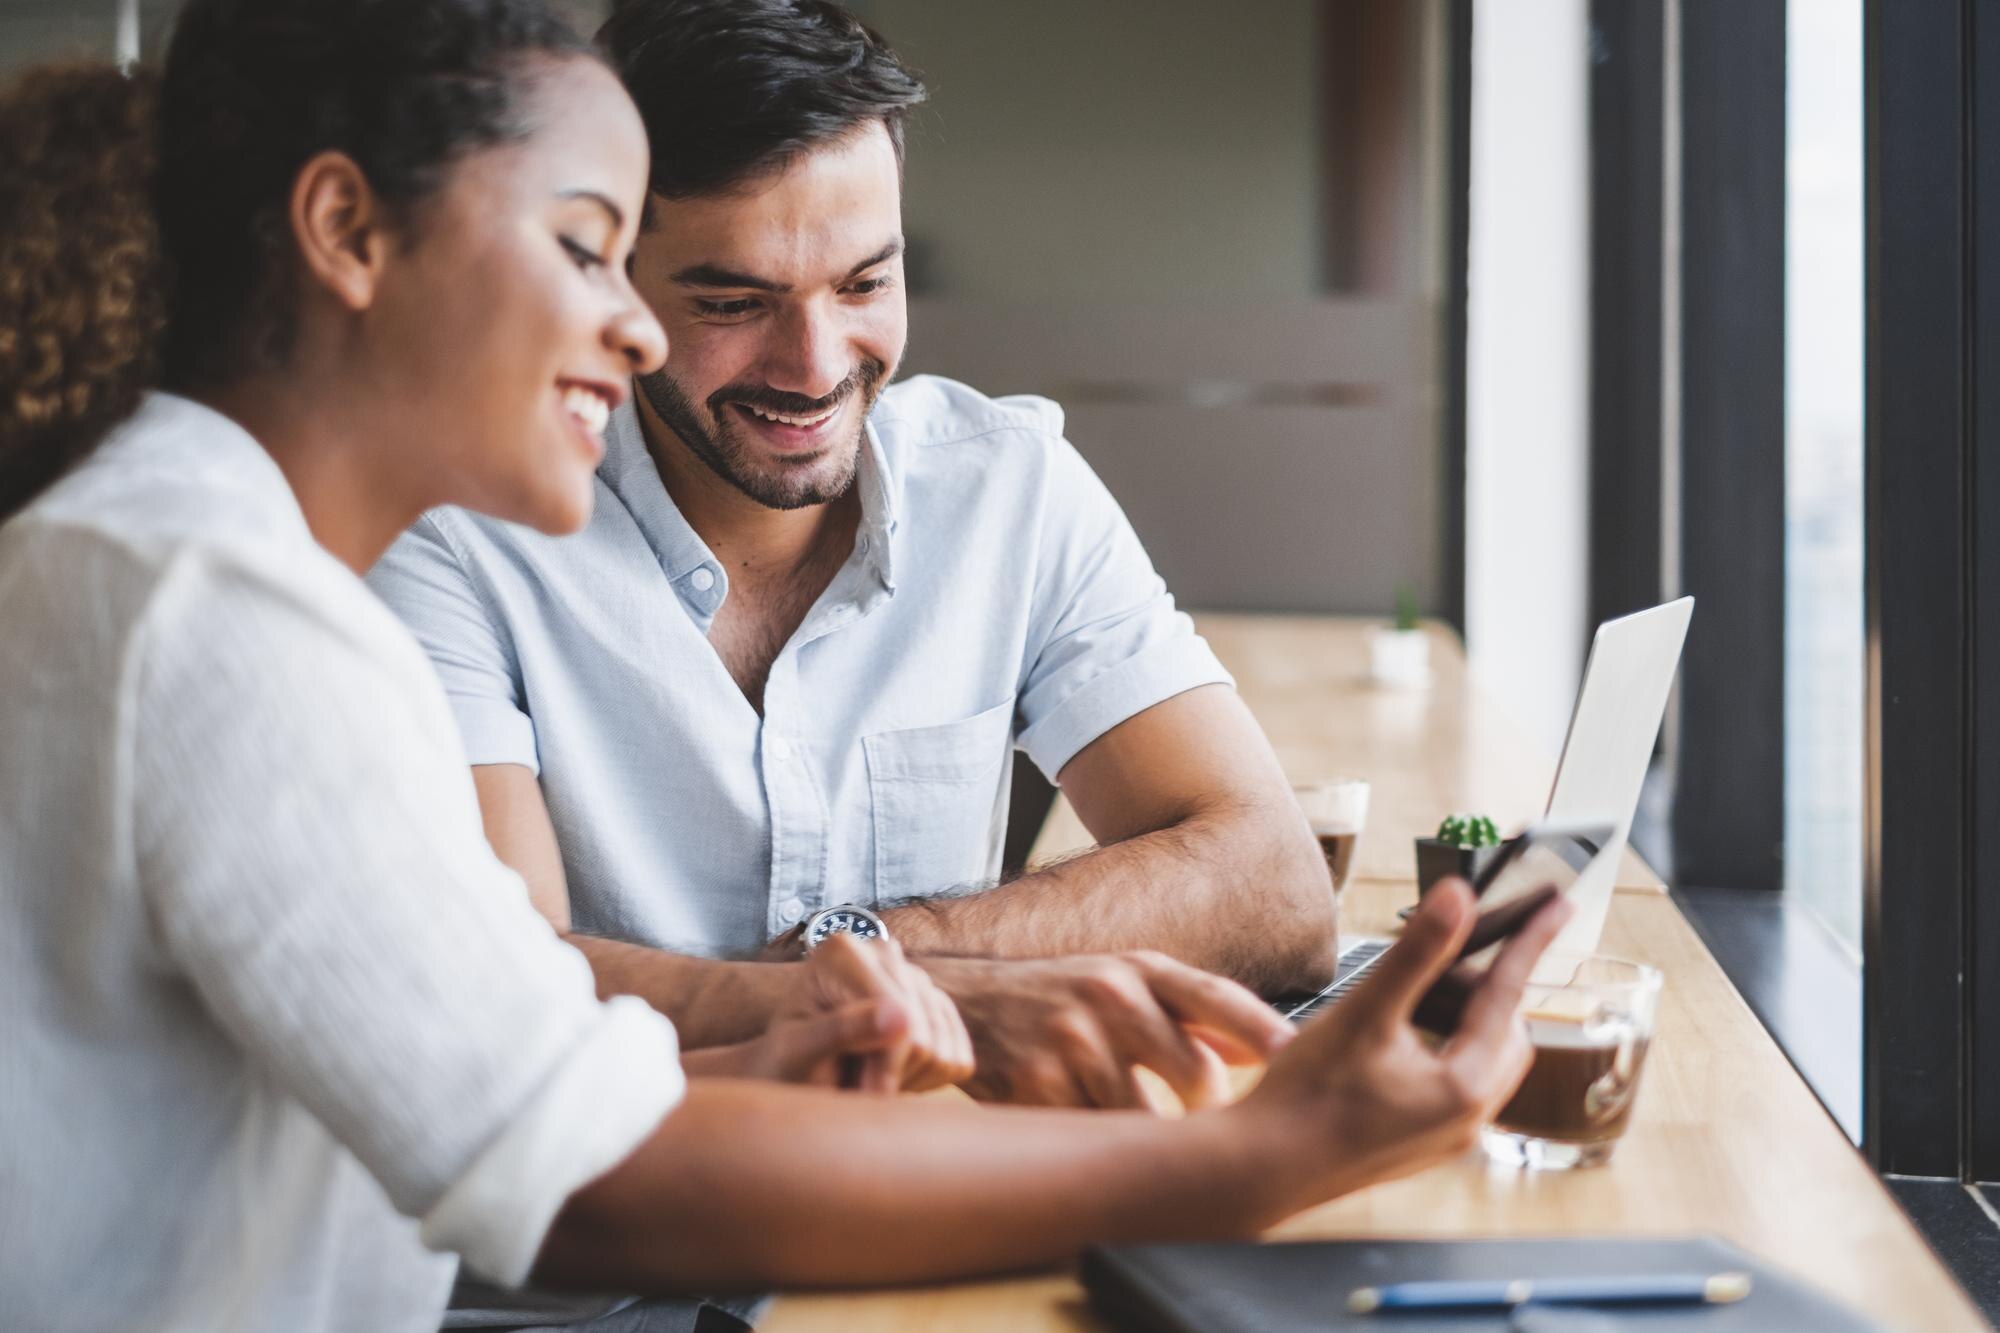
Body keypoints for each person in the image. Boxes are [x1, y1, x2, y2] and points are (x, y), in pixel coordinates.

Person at [0, 2, 1566, 1330]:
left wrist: (782, 1027)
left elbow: (523, 1062)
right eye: (589, 252)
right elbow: (577, 1178)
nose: (627, 334)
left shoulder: (190, 560)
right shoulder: (217, 604)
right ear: (346, 233)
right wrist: (1263, 1157)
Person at [368, 0, 1337, 1110]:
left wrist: (868, 950)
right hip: (603, 1267)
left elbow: (1274, 889)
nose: (816, 365)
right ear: (605, 280)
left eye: (864, 284)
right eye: (733, 301)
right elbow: (497, 984)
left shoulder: (1001, 485)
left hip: (906, 1209)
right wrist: (929, 993)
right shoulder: (450, 539)